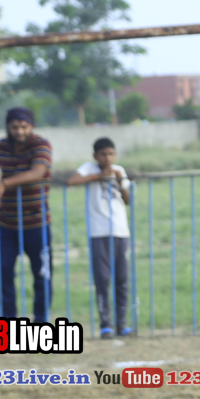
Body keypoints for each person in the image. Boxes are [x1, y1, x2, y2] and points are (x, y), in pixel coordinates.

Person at [0, 107, 53, 323]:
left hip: (37, 223)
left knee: (42, 275)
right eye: (15, 127)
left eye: (24, 127)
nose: (19, 131)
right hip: (6, 224)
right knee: (3, 274)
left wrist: (3, 184)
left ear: (31, 126)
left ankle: (40, 322)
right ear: (8, 127)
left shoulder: (41, 145)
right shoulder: (1, 146)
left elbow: (38, 172)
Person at [68, 137, 134, 337]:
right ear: (95, 156)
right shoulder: (88, 168)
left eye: (111, 154)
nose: (108, 158)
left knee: (122, 278)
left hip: (120, 230)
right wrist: (97, 177)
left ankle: (122, 323)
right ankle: (106, 324)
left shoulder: (119, 170)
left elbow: (128, 200)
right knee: (102, 278)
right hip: (98, 231)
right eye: (103, 154)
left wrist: (120, 181)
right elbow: (71, 181)